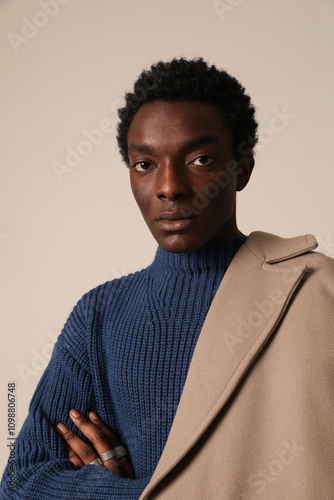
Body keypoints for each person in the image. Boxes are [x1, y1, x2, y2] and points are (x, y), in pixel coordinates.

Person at [1, 58, 333, 500]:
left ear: (243, 169)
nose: (170, 186)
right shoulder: (100, 314)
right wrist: (130, 494)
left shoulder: (319, 291)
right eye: (144, 164)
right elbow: (22, 482)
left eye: (200, 159)